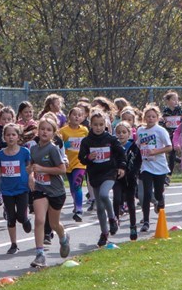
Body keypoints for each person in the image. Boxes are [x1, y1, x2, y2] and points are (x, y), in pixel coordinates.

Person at [26, 115, 70, 268]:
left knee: (54, 223)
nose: (45, 132)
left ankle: (63, 237)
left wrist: (43, 169)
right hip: (40, 189)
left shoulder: (53, 149)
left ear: (53, 133)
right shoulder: (34, 148)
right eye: (42, 129)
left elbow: (62, 169)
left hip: (56, 191)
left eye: (48, 130)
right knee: (39, 220)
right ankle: (40, 254)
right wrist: (31, 175)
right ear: (38, 131)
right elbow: (31, 166)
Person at [79, 113, 126, 247]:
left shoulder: (110, 139)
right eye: (95, 125)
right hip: (95, 174)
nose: (98, 127)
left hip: (109, 172)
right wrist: (89, 157)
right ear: (90, 125)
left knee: (104, 194)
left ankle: (112, 218)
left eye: (101, 124)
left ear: (105, 125)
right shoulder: (86, 141)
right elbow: (81, 158)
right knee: (99, 207)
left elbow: (121, 153)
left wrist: (122, 167)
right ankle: (104, 233)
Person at [0, 123, 32, 255]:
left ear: (18, 137)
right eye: (8, 135)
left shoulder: (25, 152)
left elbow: (30, 167)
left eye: (13, 134)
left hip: (21, 188)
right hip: (7, 190)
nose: (11, 137)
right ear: (4, 137)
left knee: (20, 215)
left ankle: (25, 219)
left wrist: (31, 177)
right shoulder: (1, 154)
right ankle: (13, 244)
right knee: (11, 217)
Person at [136, 105, 172, 233]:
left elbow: (169, 147)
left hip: (159, 166)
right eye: (148, 116)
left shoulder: (161, 130)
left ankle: (160, 204)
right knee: (146, 193)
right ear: (144, 117)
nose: (150, 119)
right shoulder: (140, 130)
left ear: (157, 118)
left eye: (153, 116)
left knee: (158, 193)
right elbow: (138, 145)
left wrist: (156, 151)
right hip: (146, 166)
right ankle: (146, 221)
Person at [58, 105, 89, 222]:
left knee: (77, 185)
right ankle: (76, 205)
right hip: (68, 163)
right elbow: (59, 145)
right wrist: (66, 145)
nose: (76, 117)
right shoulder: (63, 131)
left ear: (82, 118)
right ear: (69, 116)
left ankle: (79, 210)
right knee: (72, 187)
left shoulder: (84, 130)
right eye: (74, 114)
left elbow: (87, 144)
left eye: (79, 115)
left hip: (80, 163)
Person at [112, 121, 141, 241]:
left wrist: (133, 172)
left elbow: (138, 161)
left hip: (130, 179)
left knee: (130, 203)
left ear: (129, 134)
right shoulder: (114, 147)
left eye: (124, 132)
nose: (121, 135)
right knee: (117, 198)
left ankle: (133, 226)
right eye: (118, 132)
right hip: (117, 178)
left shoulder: (133, 147)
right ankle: (115, 219)